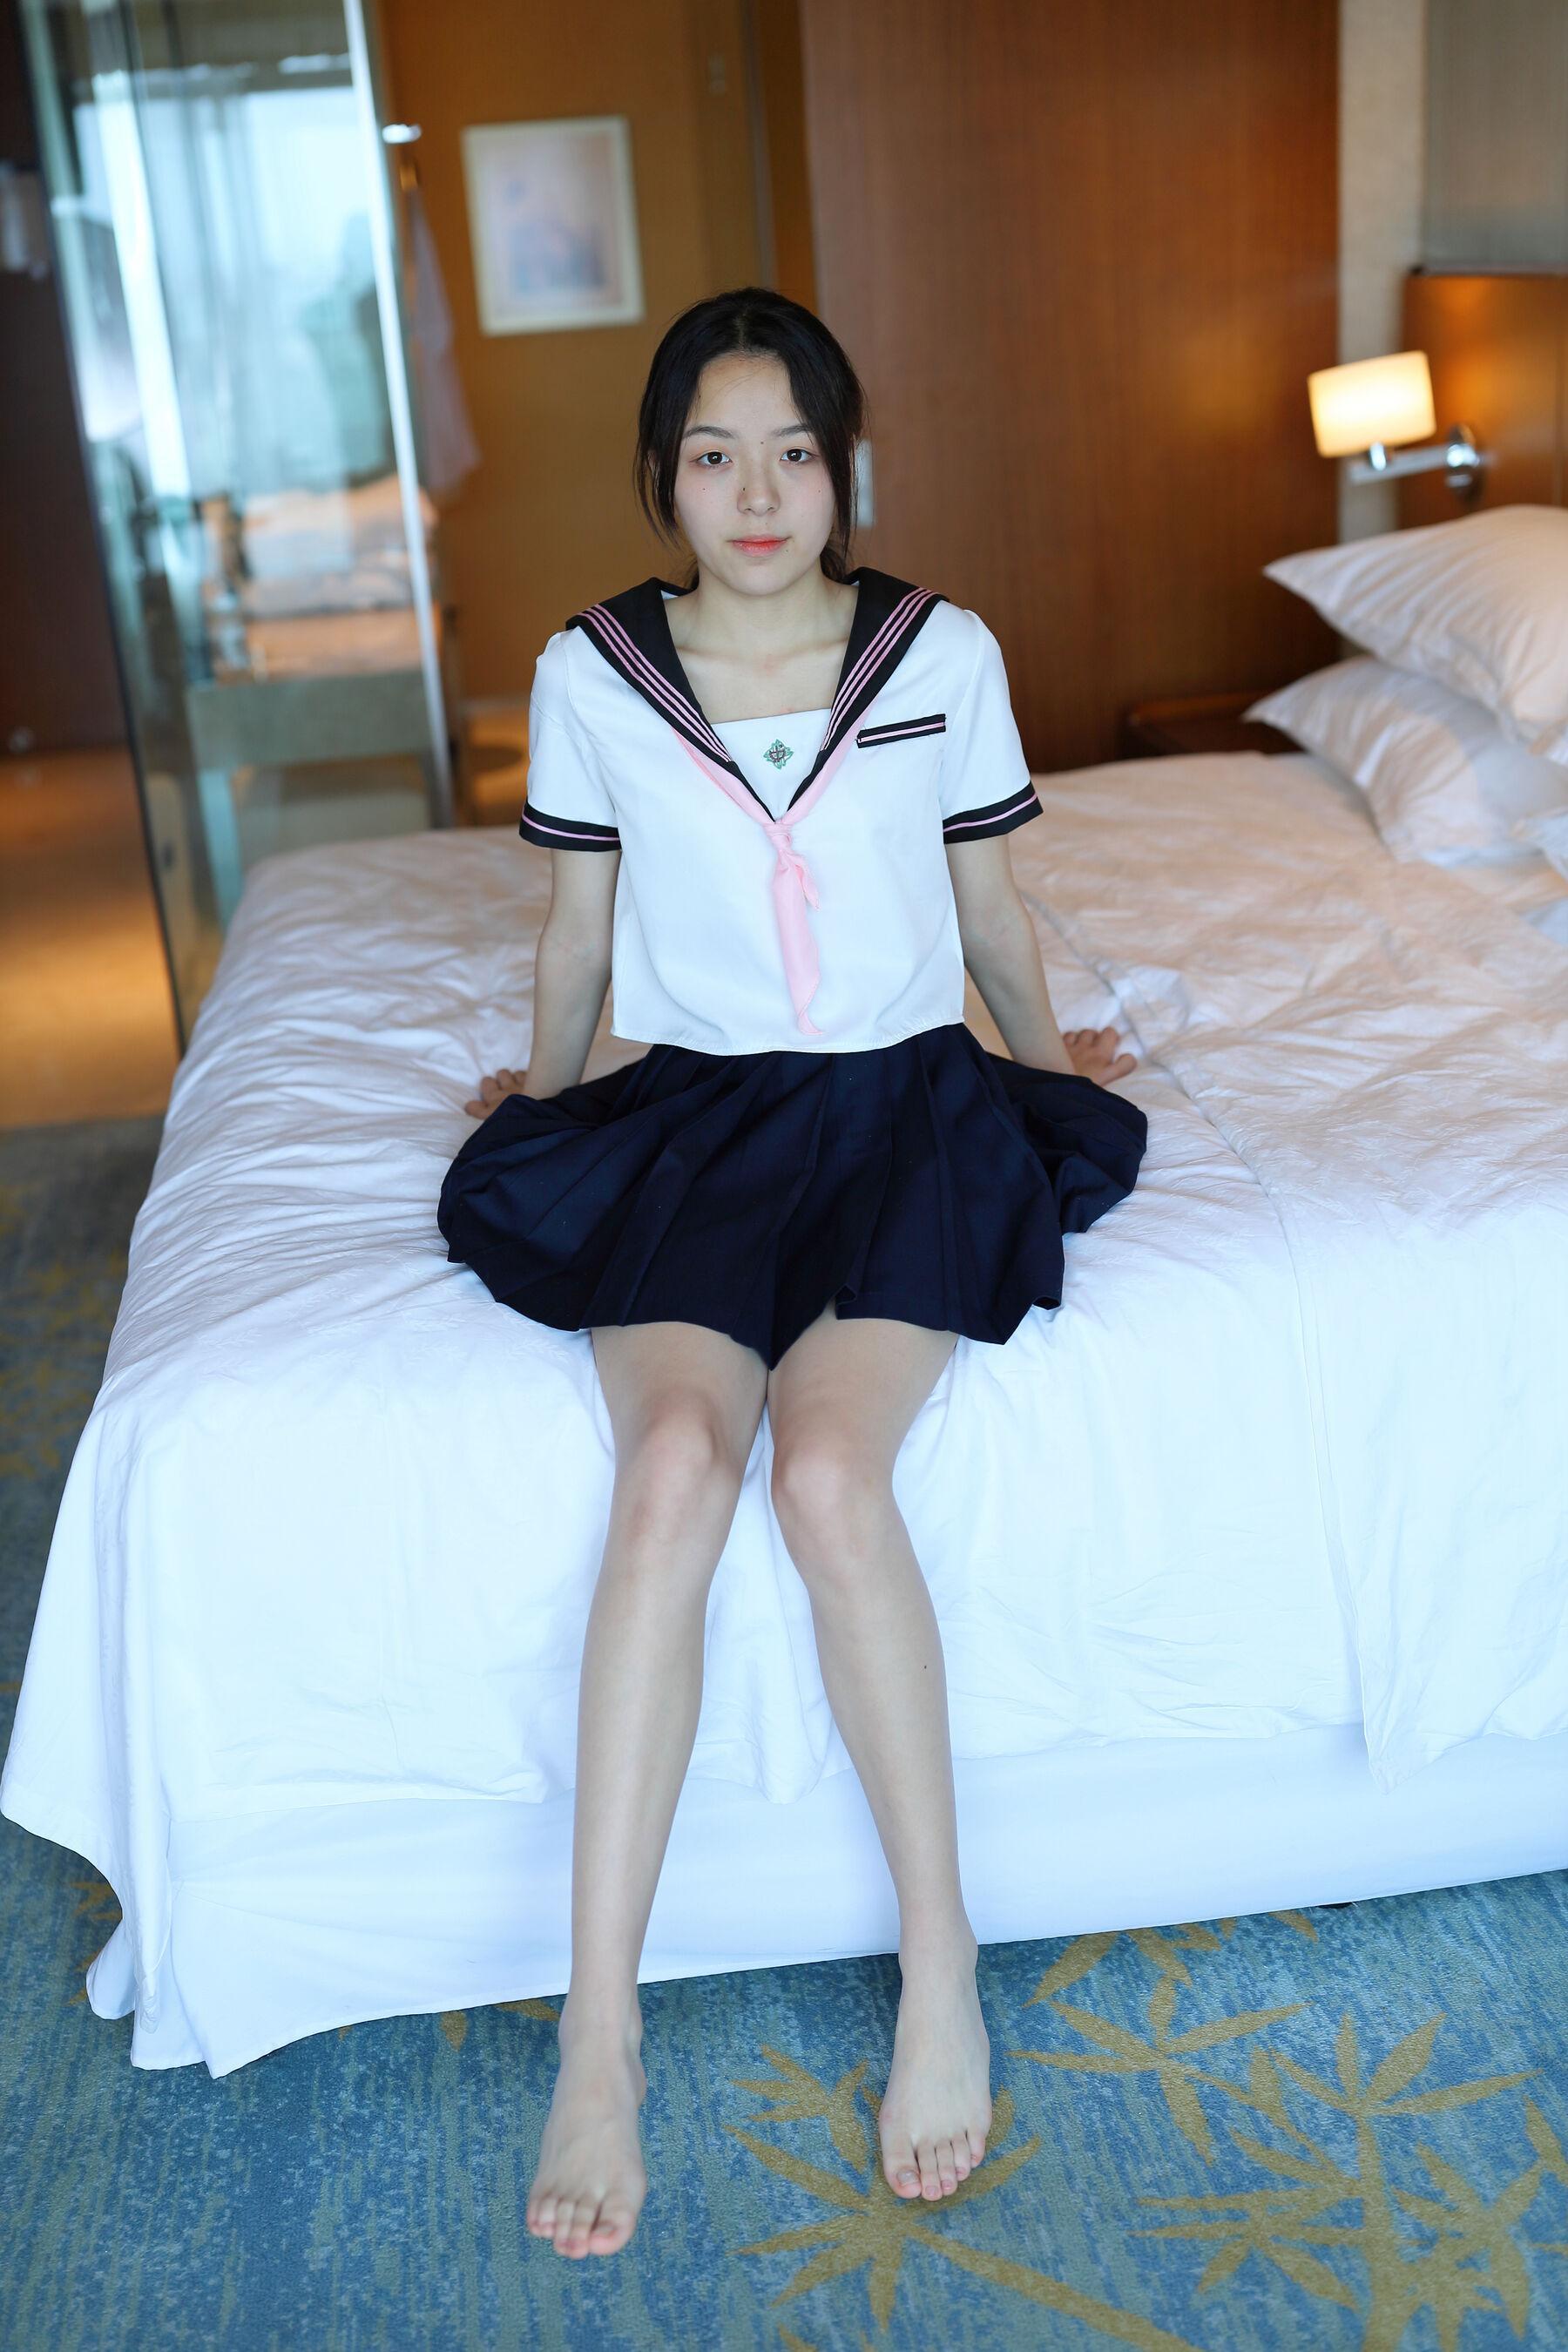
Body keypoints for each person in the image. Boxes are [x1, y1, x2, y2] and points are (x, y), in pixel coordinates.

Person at [436, 287, 1148, 2261]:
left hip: (903, 1112)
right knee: (674, 1468)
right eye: (713, 456)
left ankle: (942, 1968)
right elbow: (578, 939)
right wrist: (545, 1106)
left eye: (795, 453)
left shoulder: (943, 652)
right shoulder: (594, 670)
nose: (757, 495)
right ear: (663, 478)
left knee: (830, 1480)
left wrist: (1050, 1068)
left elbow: (988, 908)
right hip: (693, 1119)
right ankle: (600, 2038)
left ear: (847, 467)